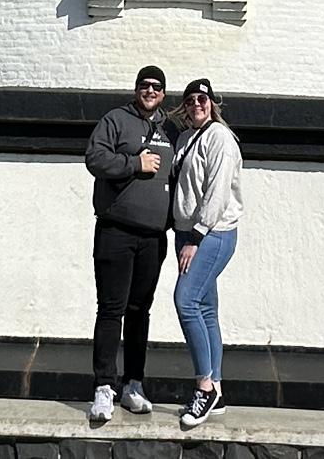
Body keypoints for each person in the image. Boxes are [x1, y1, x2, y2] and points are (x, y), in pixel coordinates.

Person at [83, 64, 175, 423]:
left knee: (140, 312)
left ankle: (133, 384)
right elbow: (95, 158)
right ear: (136, 88)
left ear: (164, 93)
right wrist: (133, 163)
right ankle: (103, 387)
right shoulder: (115, 120)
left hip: (153, 236)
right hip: (116, 231)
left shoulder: (170, 128)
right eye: (144, 85)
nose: (150, 90)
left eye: (156, 86)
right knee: (111, 310)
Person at [169, 76, 243, 428]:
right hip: (187, 233)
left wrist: (196, 237)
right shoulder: (185, 138)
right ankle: (218, 386)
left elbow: (217, 193)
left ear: (212, 104)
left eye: (203, 99)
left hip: (211, 234)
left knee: (185, 301)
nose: (197, 104)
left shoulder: (220, 138)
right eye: (191, 100)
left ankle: (203, 386)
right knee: (206, 309)